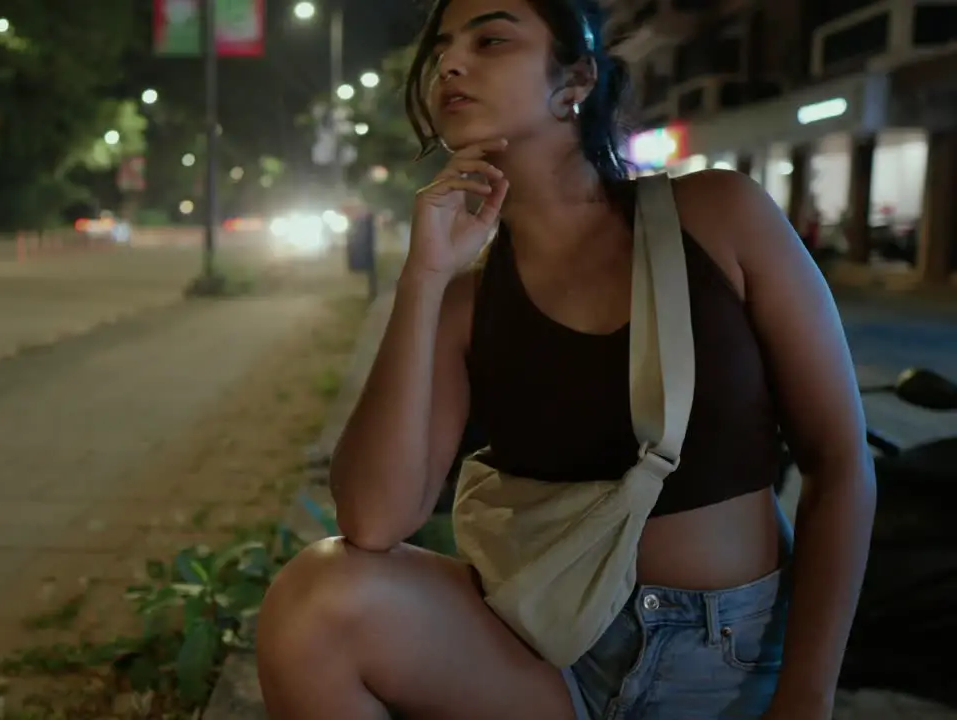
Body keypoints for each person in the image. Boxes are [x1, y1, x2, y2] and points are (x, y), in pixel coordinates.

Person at [255, 1, 876, 718]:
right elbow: (371, 521)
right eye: (443, 50)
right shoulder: (466, 302)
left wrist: (808, 695)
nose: (450, 64)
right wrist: (421, 281)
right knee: (316, 600)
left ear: (574, 80)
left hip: (723, 660)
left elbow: (839, 462)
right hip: (542, 655)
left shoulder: (719, 217)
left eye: (490, 39)